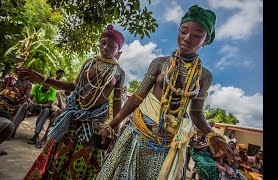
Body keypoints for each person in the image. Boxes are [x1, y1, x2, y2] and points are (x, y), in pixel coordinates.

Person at [96, 5, 237, 179]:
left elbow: (196, 113)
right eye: (183, 31)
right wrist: (111, 124)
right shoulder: (159, 63)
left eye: (196, 35)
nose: (187, 38)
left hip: (167, 143)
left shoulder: (204, 77)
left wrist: (213, 136)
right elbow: (137, 98)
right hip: (137, 133)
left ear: (206, 40)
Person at [19, 24, 125, 179]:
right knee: (59, 158)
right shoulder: (89, 63)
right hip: (73, 117)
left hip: (94, 123)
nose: (105, 47)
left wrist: (115, 128)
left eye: (111, 46)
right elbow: (74, 85)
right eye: (103, 43)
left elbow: (117, 102)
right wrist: (45, 80)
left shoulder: (119, 73)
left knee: (80, 163)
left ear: (118, 52)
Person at [35, 69, 68, 148]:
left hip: (64, 113)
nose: (61, 76)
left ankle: (53, 141)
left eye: (62, 75)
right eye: (60, 74)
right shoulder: (53, 82)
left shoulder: (74, 96)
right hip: (51, 106)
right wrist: (57, 110)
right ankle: (42, 136)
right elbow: (54, 104)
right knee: (51, 113)